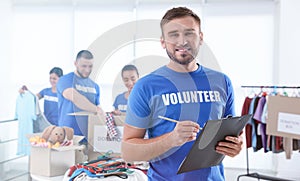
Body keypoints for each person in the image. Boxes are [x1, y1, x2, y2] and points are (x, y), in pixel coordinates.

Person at [121, 7, 243, 180]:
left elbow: (231, 136)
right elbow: (128, 152)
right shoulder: (145, 86)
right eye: (173, 34)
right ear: (163, 41)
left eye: (189, 33)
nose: (182, 41)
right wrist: (171, 139)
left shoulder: (222, 82)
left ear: (200, 38)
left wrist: (235, 146)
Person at [56, 50, 103, 141]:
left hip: (89, 137)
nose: (87, 70)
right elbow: (75, 97)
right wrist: (97, 109)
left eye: (90, 66)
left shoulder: (95, 86)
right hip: (68, 137)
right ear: (75, 63)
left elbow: (98, 110)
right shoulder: (65, 80)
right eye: (84, 66)